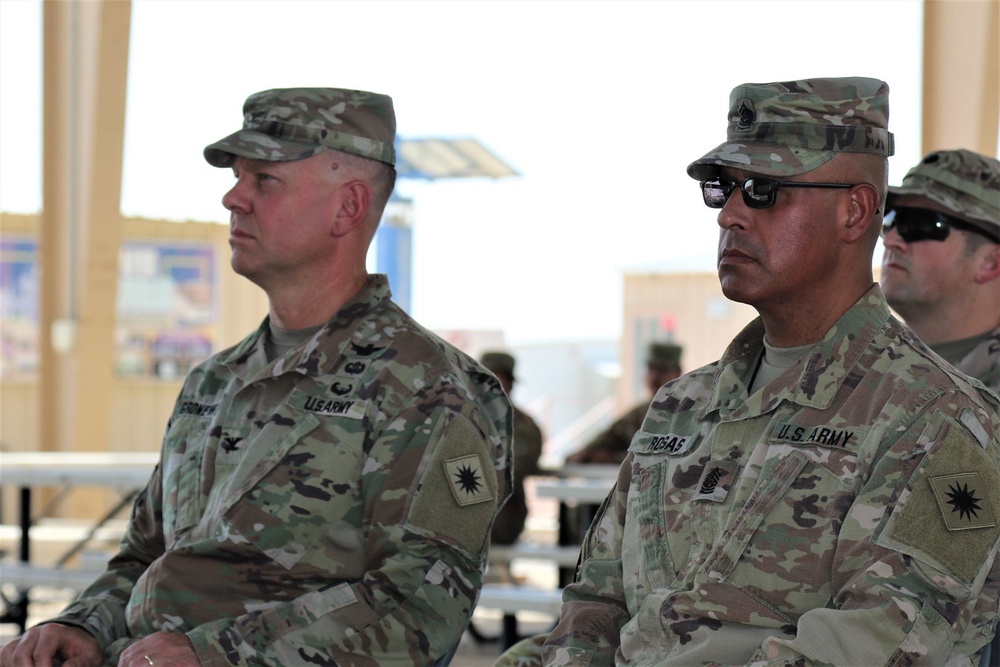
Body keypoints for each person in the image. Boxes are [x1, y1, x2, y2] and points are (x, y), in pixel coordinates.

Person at [0, 88, 513, 667]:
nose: (232, 197)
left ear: (348, 207)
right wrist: (82, 626)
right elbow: (146, 556)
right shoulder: (214, 383)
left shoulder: (424, 386)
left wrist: (215, 654)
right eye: (239, 178)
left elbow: (420, 608)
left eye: (264, 180)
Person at [539, 77, 1000, 665]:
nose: (729, 215)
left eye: (762, 190)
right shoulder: (683, 405)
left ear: (854, 212)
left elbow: (876, 643)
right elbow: (593, 603)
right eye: (722, 188)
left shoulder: (939, 420)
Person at [880, 148, 1000, 394]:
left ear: (990, 263)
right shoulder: (855, 360)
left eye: (920, 224)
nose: (890, 239)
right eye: (891, 218)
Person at [565, 342, 683, 465]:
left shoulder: (688, 413)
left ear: (678, 374)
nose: (654, 377)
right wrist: (586, 455)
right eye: (650, 369)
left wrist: (614, 459)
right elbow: (607, 439)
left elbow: (668, 460)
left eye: (662, 371)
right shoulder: (639, 413)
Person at [480, 351, 544, 546]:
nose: (495, 385)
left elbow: (512, 468)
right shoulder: (461, 418)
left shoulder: (522, 425)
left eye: (501, 379)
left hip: (501, 518)